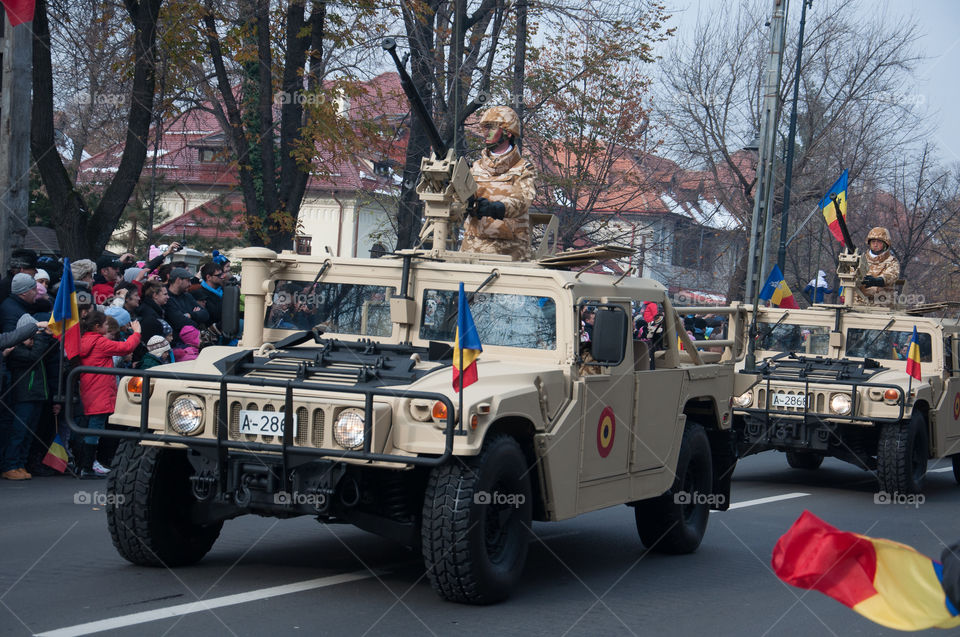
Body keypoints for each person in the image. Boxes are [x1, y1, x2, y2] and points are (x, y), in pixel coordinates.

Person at [460, 105, 537, 260]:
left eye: (491, 128)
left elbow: (523, 200)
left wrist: (496, 208)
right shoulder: (475, 168)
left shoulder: (523, 168)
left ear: (508, 132)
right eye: (484, 128)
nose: (485, 133)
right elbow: (458, 204)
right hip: (472, 252)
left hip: (510, 254)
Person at [75, 311, 141, 478]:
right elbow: (125, 348)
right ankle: (87, 467)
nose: (107, 326)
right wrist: (137, 333)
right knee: (95, 429)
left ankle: (82, 465)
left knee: (90, 427)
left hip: (90, 389)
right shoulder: (100, 342)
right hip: (101, 390)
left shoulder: (84, 340)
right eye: (105, 324)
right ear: (97, 327)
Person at [858, 226, 900, 305]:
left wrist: (878, 280)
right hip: (860, 302)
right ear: (869, 243)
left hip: (882, 304)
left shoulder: (891, 261)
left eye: (879, 242)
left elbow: (891, 276)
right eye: (873, 242)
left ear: (885, 244)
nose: (875, 245)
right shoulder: (860, 259)